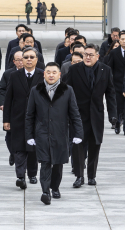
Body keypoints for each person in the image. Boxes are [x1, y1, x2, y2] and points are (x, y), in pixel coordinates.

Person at [26, 62, 83, 205]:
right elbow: (29, 115)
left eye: (54, 72)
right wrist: (29, 136)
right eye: (48, 72)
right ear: (44, 74)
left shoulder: (67, 90)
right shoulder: (36, 90)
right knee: (45, 163)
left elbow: (75, 114)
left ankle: (55, 187)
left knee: (57, 163)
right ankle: (45, 191)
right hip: (42, 134)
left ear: (59, 74)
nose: (51, 75)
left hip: (60, 133)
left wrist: (79, 133)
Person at [65, 44, 116, 187]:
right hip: (78, 116)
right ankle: (79, 176)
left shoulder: (105, 70)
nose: (87, 57)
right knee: (78, 146)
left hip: (96, 115)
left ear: (97, 56)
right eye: (85, 54)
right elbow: (66, 91)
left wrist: (113, 115)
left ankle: (91, 175)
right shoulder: (74, 70)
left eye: (91, 55)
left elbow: (110, 93)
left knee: (95, 146)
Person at [4, 47, 44, 189]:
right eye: (25, 57)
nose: (28, 60)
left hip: (37, 119)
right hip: (18, 118)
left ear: (36, 59)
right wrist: (6, 120)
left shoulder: (42, 75)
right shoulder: (15, 76)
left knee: (32, 148)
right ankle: (20, 176)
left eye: (31, 57)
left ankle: (32, 174)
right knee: (19, 148)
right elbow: (8, 99)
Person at [107, 30, 125, 134]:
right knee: (118, 105)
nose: (124, 41)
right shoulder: (114, 52)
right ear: (119, 40)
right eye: (122, 39)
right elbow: (109, 68)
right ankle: (118, 123)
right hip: (117, 83)